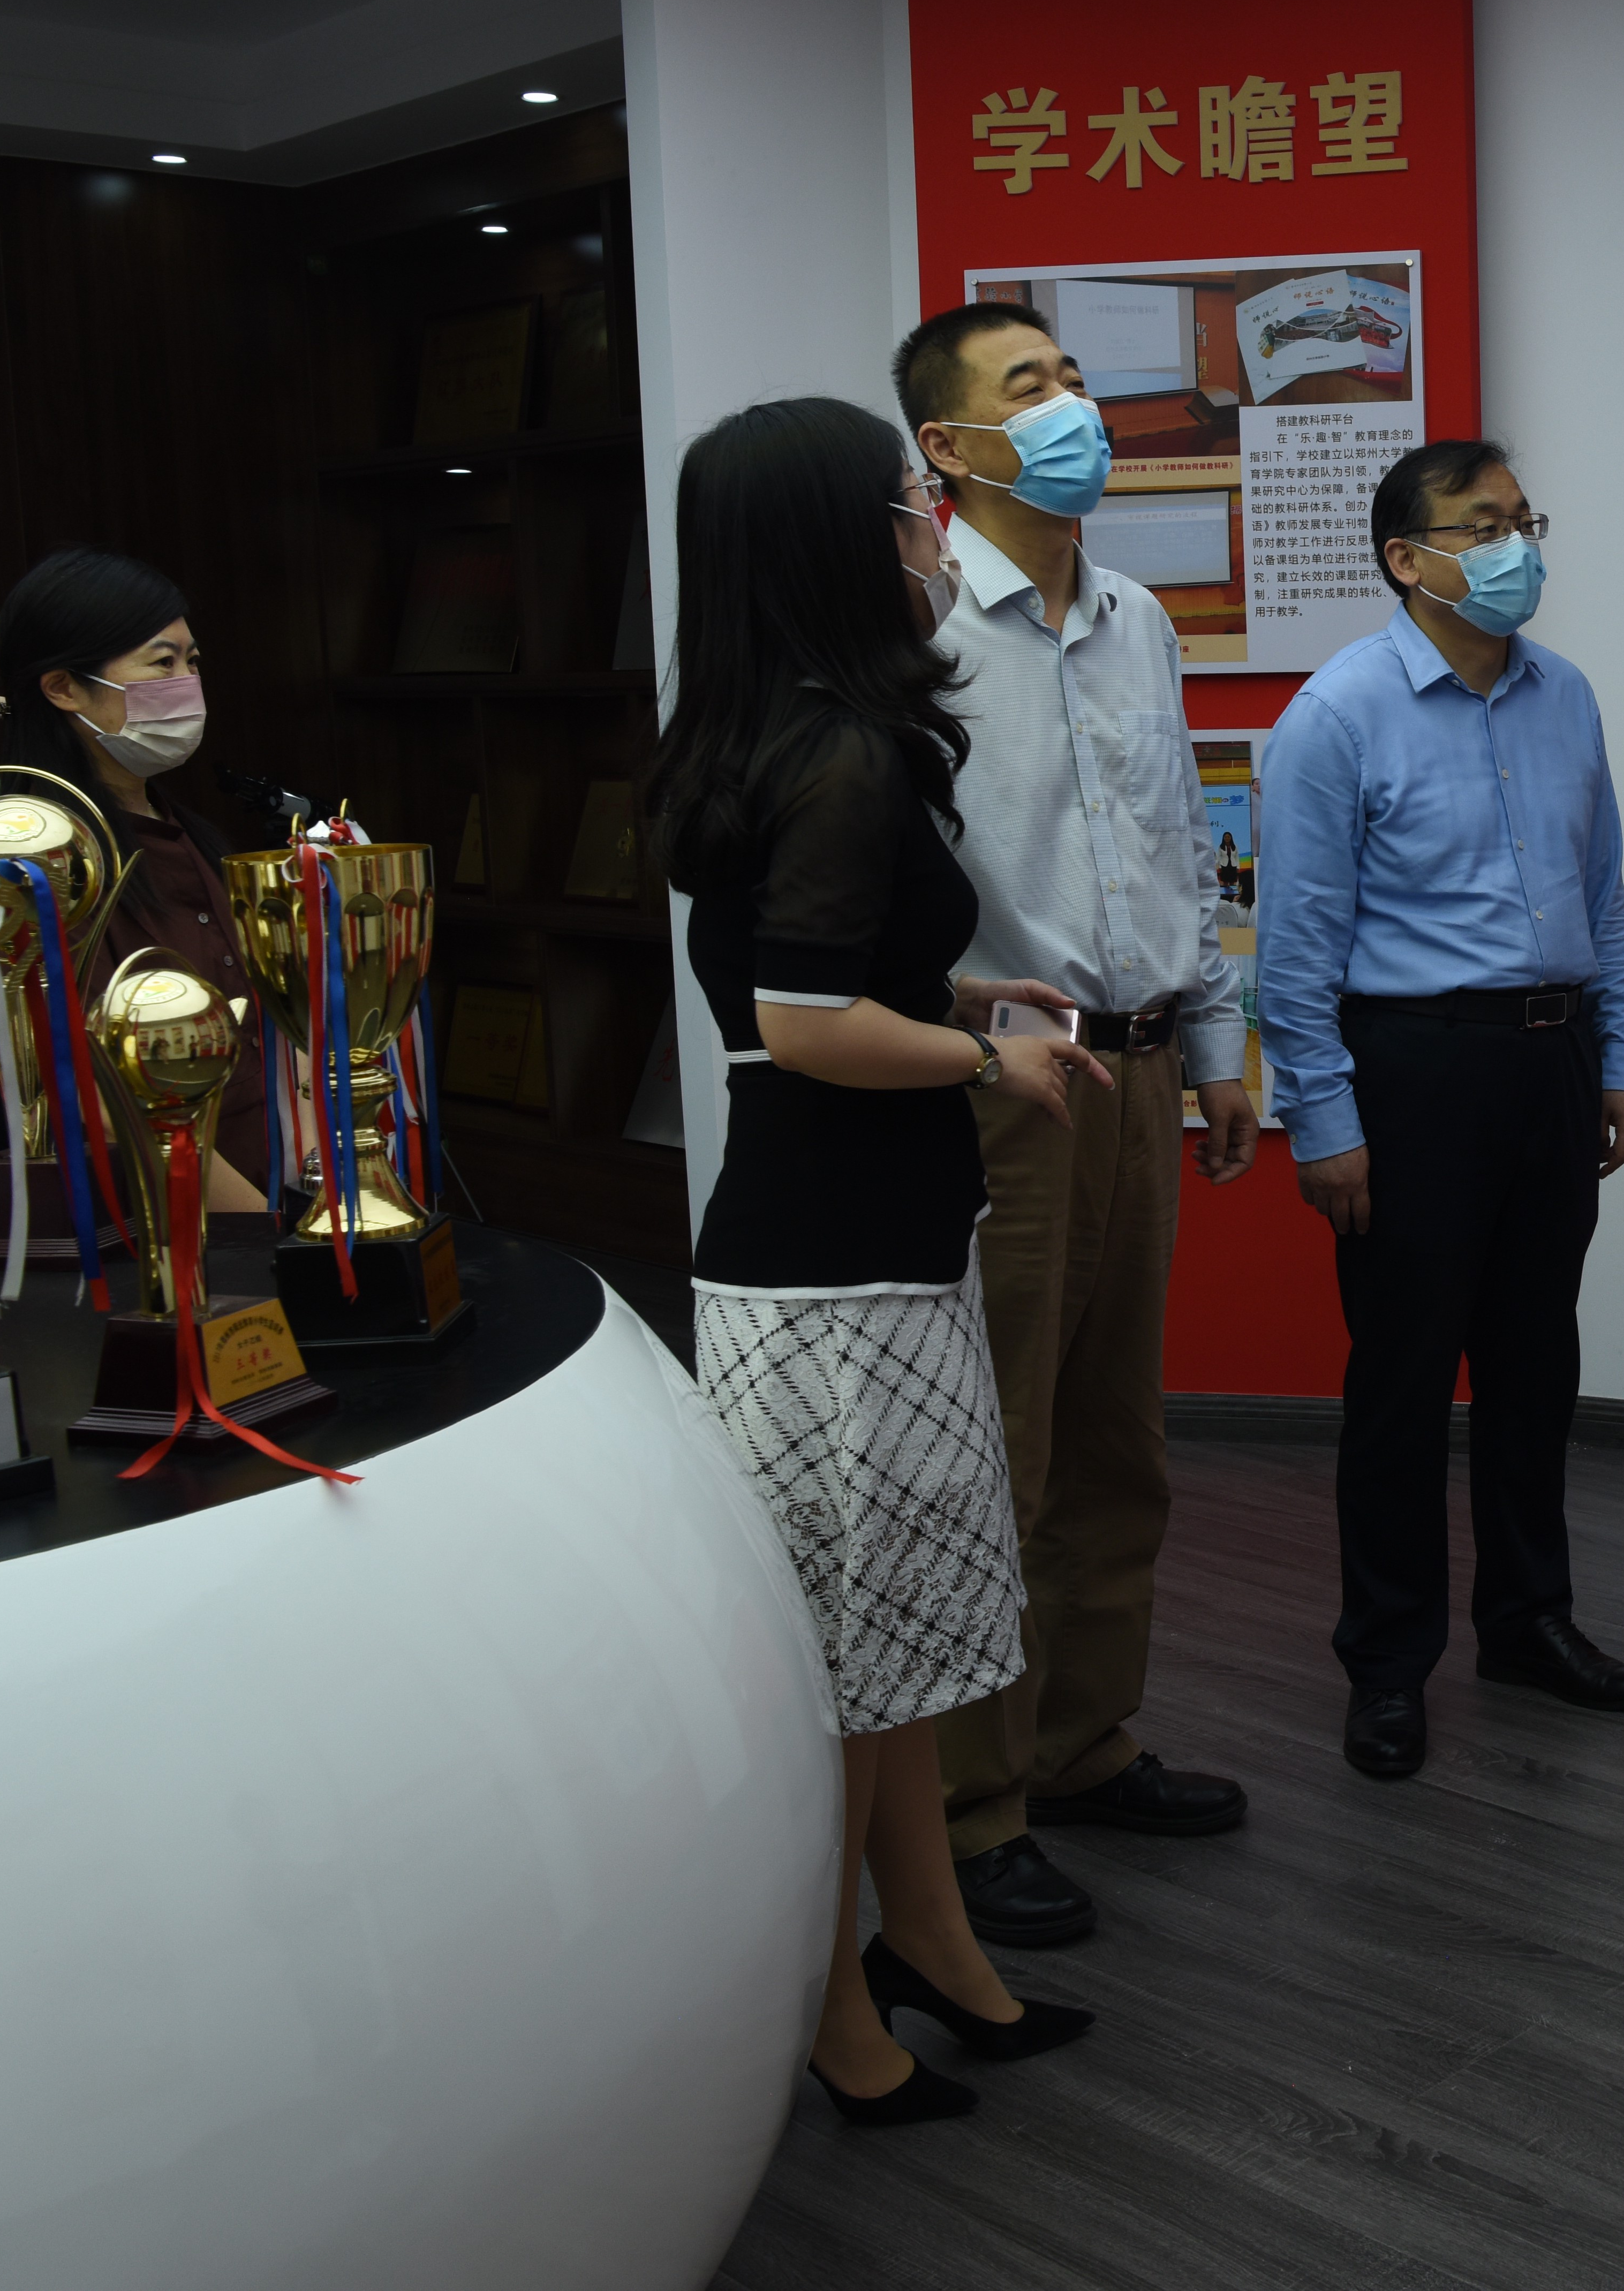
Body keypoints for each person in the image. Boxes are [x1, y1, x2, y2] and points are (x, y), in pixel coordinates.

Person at [645, 399, 1103, 2127]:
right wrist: (993, 1058)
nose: (937, 523)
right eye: (916, 497)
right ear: (844, 538)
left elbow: (816, 970)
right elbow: (803, 1021)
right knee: (851, 1665)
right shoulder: (839, 747)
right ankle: (835, 2006)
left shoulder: (784, 729)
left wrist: (964, 993)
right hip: (837, 1279)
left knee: (887, 1650)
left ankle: (932, 1938)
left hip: (846, 1251)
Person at [897, 299, 1262, 1949]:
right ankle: (972, 1809)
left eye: (1072, 376)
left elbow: (1178, 840)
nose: (1073, 407)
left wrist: (1218, 1043)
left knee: (1121, 1436)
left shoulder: (1136, 618)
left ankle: (1085, 1738)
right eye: (1028, 385)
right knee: (1005, 1451)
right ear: (949, 446)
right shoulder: (919, 632)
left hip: (1143, 1068)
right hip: (1008, 1080)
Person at [1258, 438, 1624, 1783]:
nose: (1514, 547)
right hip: (1411, 1070)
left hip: (1552, 1060)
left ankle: (1528, 1618)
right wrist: (1323, 1121)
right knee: (1404, 1378)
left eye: (1524, 520)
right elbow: (1293, 951)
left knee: (1535, 1363)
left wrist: (1621, 1052)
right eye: (1483, 526)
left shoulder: (1567, 695)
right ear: (1406, 558)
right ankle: (1387, 1662)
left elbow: (1601, 895)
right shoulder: (1336, 714)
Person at [0, 548, 270, 1208]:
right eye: (161, 662)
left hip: (274, 1187)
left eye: (191, 661)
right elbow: (98, 1094)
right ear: (64, 688)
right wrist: (261, 1223)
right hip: (179, 1222)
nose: (186, 682)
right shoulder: (42, 867)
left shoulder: (188, 830)